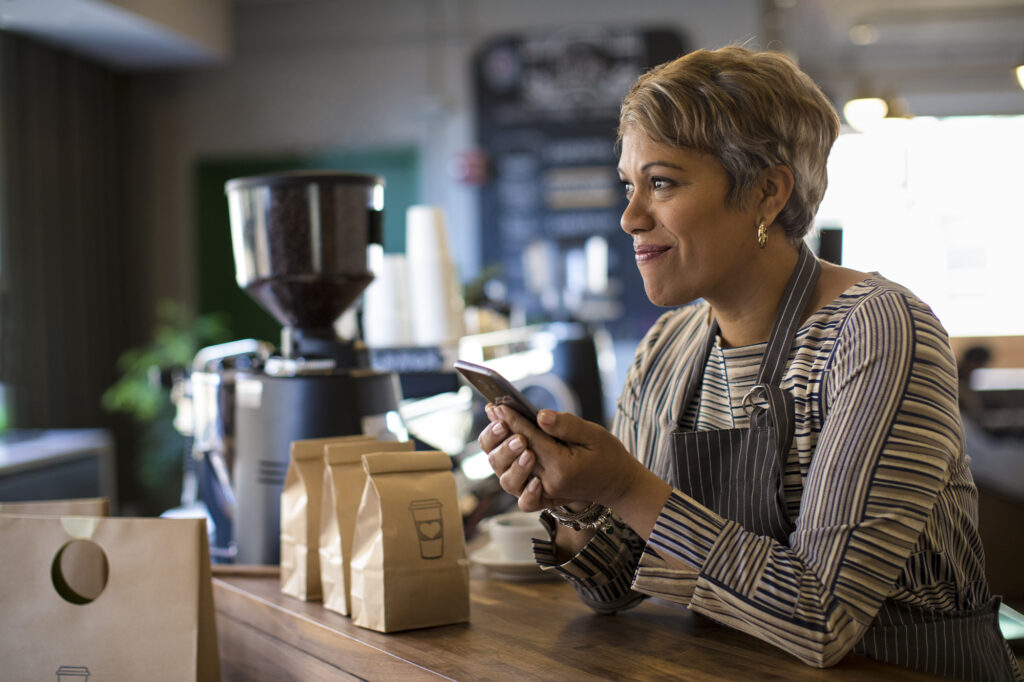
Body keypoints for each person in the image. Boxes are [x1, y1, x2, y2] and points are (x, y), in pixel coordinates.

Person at [479, 46, 1023, 681]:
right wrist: (580, 501)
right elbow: (614, 590)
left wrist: (628, 486)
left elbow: (823, 619)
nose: (629, 217)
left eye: (662, 182)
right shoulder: (667, 348)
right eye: (630, 185)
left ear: (767, 192)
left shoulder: (876, 331)